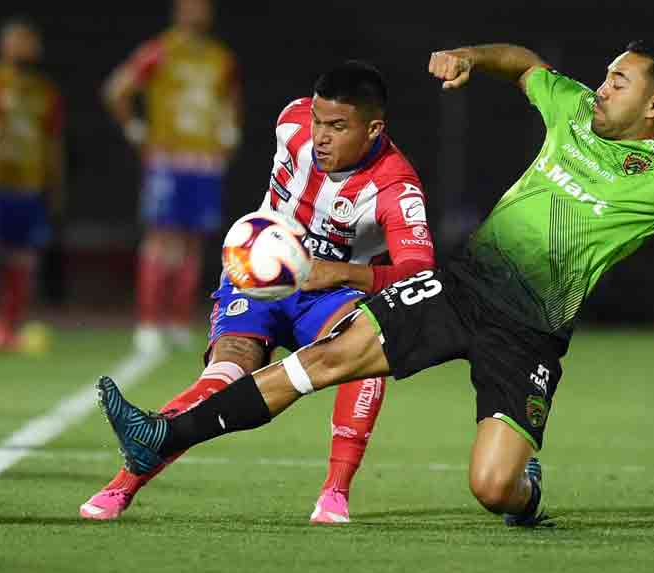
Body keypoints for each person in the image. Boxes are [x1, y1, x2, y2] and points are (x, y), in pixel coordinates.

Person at [94, 42, 654, 526]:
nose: (602, 86)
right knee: (324, 359)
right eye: (607, 74)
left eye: (619, 81)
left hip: (530, 331)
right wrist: (470, 57)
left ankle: (527, 492)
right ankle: (162, 435)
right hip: (464, 286)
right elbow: (523, 64)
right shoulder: (574, 109)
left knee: (492, 488)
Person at [80, 61, 436, 523]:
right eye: (319, 121)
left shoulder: (396, 186)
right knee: (226, 371)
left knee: (369, 348)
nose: (322, 136)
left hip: (329, 295)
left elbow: (419, 273)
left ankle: (334, 493)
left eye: (338, 127)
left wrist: (340, 273)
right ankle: (123, 485)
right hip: (259, 277)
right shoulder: (290, 122)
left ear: (373, 129)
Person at [104, 0, 243, 352]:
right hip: (168, 158)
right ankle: (149, 322)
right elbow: (117, 90)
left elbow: (231, 101)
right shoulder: (160, 51)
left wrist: (229, 135)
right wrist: (136, 131)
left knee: (193, 241)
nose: (197, 12)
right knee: (162, 238)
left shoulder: (219, 58)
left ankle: (179, 320)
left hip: (204, 161)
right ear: (179, 10)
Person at [0, 18, 64, 351]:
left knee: (21, 259)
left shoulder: (44, 91)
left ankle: (10, 324)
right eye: (18, 40)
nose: (24, 48)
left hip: (29, 186)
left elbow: (53, 142)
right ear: (3, 44)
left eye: (29, 41)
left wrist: (56, 184)